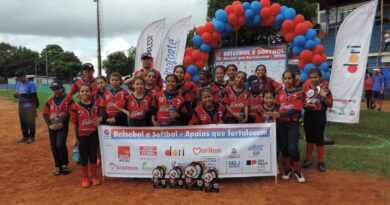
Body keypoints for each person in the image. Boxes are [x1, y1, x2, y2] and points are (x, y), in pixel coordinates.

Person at [274, 70, 305, 183]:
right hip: (281, 123)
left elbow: (296, 109)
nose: (287, 81)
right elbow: (277, 107)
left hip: (293, 124)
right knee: (284, 149)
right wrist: (273, 115)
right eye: (285, 78)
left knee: (293, 149)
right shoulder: (280, 92)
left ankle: (297, 170)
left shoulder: (299, 93)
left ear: (294, 80)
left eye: (289, 78)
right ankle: (287, 169)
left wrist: (279, 114)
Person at [70, 84, 102, 188]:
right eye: (82, 91)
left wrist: (99, 120)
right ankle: (85, 177)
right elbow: (73, 123)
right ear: (79, 93)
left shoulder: (96, 105)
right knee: (83, 156)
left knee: (93, 155)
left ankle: (93, 176)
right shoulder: (75, 107)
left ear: (91, 92)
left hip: (93, 134)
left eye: (87, 91)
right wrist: (74, 137)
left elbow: (100, 116)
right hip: (81, 136)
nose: (85, 93)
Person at [302, 69, 333, 172]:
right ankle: (308, 159)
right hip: (308, 115)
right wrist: (306, 105)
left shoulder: (325, 89)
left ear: (320, 78)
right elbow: (302, 102)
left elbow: (330, 104)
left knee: (319, 138)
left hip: (319, 115)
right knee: (309, 138)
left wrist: (324, 97)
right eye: (311, 77)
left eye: (315, 77)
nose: (313, 79)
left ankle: (320, 162)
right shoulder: (306, 89)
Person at [42, 81, 74, 175]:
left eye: (57, 88)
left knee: (60, 144)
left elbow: (71, 112)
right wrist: (49, 125)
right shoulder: (51, 99)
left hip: (62, 126)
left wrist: (62, 123)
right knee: (54, 146)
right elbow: (45, 113)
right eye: (53, 89)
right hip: (52, 126)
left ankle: (65, 164)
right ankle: (57, 165)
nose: (56, 91)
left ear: (62, 88)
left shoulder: (68, 98)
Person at [14, 70, 39, 144]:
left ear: (24, 76)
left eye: (20, 78)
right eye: (18, 78)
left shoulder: (31, 84)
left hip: (30, 105)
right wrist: (16, 95)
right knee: (23, 121)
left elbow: (33, 96)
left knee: (30, 122)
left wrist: (21, 95)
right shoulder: (18, 84)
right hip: (21, 104)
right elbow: (18, 94)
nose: (19, 80)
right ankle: (25, 136)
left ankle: (31, 137)